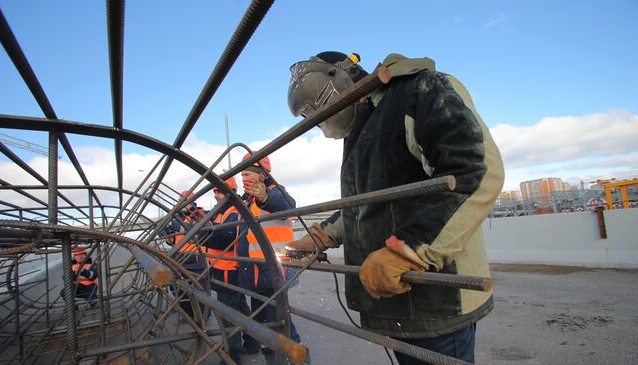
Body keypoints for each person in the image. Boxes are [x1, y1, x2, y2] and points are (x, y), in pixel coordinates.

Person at [286, 51, 504, 364]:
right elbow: (367, 203)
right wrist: (321, 236)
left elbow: (476, 172)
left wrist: (409, 250)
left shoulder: (418, 90)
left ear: (342, 79)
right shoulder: (363, 128)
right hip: (394, 300)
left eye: (319, 110)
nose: (322, 124)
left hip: (436, 300)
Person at [236, 152, 304, 363]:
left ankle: (295, 359)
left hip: (272, 272)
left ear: (261, 175)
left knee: (278, 326)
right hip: (257, 274)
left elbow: (287, 205)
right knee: (271, 324)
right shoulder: (247, 200)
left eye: (247, 173)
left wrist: (264, 196)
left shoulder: (274, 192)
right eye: (241, 174)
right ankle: (289, 357)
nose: (243, 178)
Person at [205, 176, 248, 364]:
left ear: (229, 192)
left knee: (228, 315)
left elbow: (226, 239)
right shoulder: (222, 212)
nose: (215, 196)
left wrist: (200, 235)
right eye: (214, 192)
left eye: (219, 192)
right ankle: (252, 343)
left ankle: (233, 356)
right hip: (223, 269)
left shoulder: (233, 211)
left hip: (229, 270)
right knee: (241, 309)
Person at [164, 191, 209, 320]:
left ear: (191, 201)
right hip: (180, 257)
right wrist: (170, 235)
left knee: (200, 290)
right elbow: (167, 232)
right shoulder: (178, 218)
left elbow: (192, 229)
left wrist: (176, 227)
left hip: (196, 258)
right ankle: (189, 315)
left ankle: (203, 317)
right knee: (180, 288)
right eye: (180, 201)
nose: (180, 203)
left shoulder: (199, 214)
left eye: (183, 201)